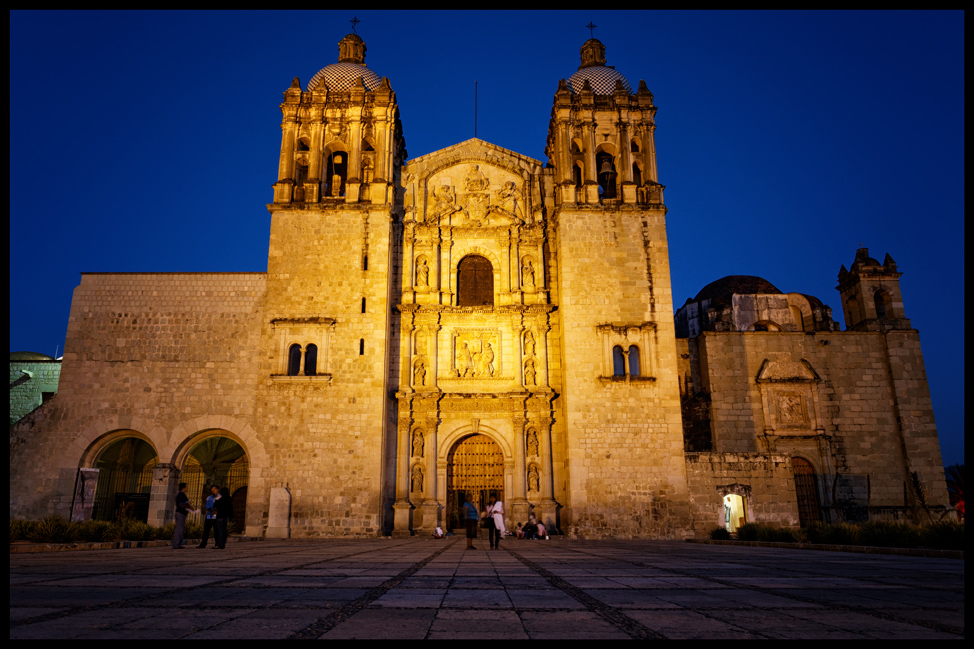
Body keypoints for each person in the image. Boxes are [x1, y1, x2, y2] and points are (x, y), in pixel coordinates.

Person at [171, 482, 193, 549]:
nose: (187, 488)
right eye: (186, 487)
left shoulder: (182, 494)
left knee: (180, 528)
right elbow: (182, 504)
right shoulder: (181, 494)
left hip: (181, 513)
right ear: (183, 488)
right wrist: (189, 507)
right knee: (179, 529)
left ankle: (177, 543)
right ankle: (176, 544)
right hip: (181, 513)